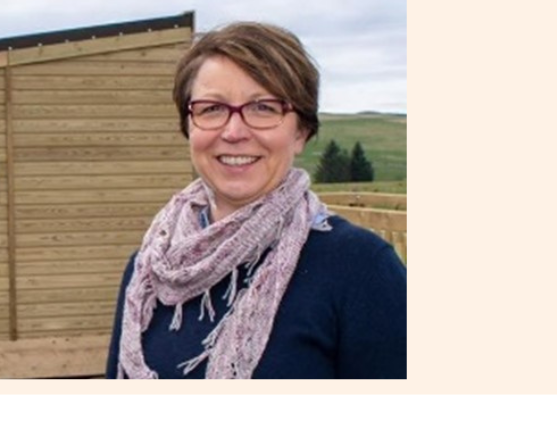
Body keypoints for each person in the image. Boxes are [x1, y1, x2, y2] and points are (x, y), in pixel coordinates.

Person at [105, 22, 405, 379]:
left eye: (263, 107)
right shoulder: (147, 270)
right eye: (212, 108)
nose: (234, 132)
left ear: (301, 132)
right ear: (189, 127)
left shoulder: (361, 269)